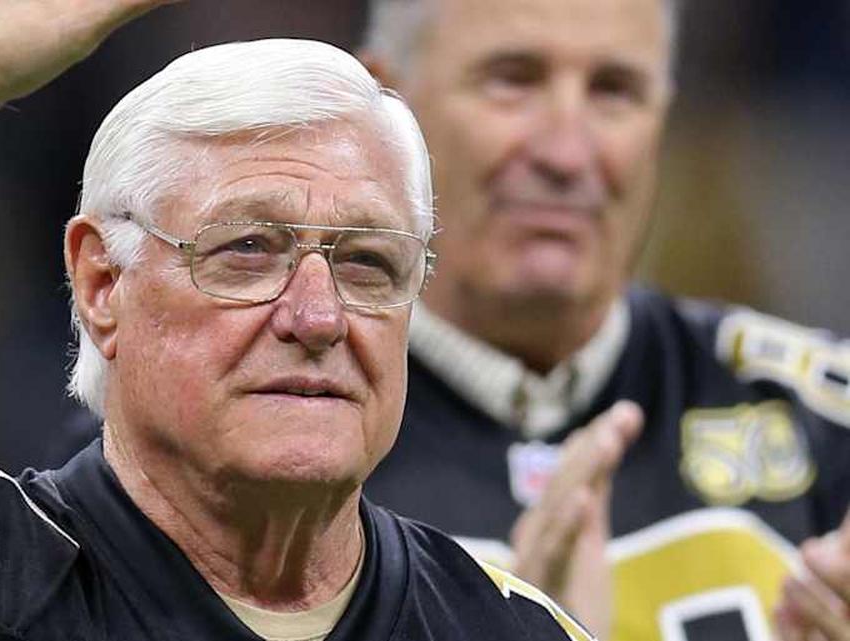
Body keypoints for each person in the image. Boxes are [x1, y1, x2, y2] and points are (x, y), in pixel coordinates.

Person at [0, 1, 598, 640]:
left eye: (369, 262)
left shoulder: (522, 628)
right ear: (102, 283)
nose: (319, 314)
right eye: (248, 249)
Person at [357, 1, 850, 640]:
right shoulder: (273, 446)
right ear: (378, 115)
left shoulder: (827, 420)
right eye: (514, 79)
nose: (566, 153)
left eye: (614, 90)